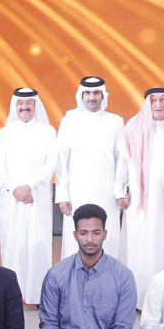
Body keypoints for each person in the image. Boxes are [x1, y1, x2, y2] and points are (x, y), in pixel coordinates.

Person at [115, 87, 164, 303]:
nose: (158, 105)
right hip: (139, 203)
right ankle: (136, 299)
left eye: (162, 100)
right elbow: (123, 163)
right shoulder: (133, 128)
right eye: (153, 101)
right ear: (147, 104)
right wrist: (119, 191)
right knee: (138, 247)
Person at [0, 87, 56, 305]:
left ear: (35, 106)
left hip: (38, 197)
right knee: (13, 243)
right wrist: (15, 189)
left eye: (29, 104)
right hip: (12, 200)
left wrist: (30, 186)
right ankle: (13, 294)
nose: (25, 107)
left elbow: (50, 164)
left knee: (38, 243)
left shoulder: (48, 132)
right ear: (15, 107)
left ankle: (38, 295)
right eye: (20, 104)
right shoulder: (4, 133)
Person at [56, 76, 125, 259]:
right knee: (75, 237)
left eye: (96, 93)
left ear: (103, 96)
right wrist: (63, 195)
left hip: (107, 191)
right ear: (81, 95)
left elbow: (121, 160)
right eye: (87, 93)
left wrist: (120, 191)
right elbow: (61, 159)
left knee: (107, 237)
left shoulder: (116, 121)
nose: (91, 97)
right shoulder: (69, 120)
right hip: (77, 191)